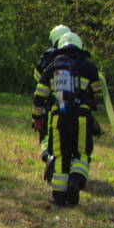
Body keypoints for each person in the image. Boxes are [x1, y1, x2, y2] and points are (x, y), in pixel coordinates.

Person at [32, 32, 102, 206]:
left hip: (58, 118)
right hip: (82, 118)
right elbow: (97, 91)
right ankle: (75, 182)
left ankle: (58, 196)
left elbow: (39, 95)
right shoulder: (89, 67)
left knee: (60, 155)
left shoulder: (53, 66)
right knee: (81, 153)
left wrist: (37, 117)